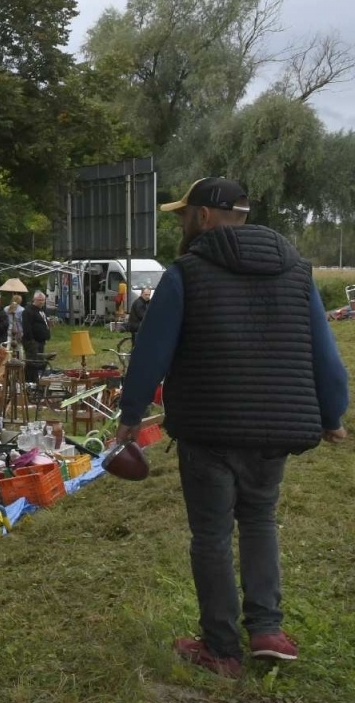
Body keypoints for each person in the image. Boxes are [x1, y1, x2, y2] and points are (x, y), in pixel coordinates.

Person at [115, 178, 347, 676]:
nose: (180, 224)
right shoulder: (296, 272)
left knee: (212, 536)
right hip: (276, 431)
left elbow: (151, 351)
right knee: (260, 520)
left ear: (202, 217)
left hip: (209, 428)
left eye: (183, 216)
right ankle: (266, 628)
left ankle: (221, 649)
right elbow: (325, 353)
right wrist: (333, 415)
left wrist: (131, 415)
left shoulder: (187, 272)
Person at [22, 290, 51, 383]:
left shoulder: (41, 310)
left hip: (41, 341)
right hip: (32, 341)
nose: (41, 302)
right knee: (32, 362)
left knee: (39, 361)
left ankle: (37, 379)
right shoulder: (28, 310)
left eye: (43, 300)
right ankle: (29, 381)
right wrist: (31, 340)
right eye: (39, 300)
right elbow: (27, 326)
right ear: (34, 299)